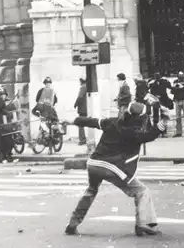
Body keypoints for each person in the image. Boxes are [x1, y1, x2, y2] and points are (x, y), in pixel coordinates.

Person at [62, 100, 170, 237]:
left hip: (93, 164)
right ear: (141, 118)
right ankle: (144, 223)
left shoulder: (112, 122)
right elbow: (152, 134)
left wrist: (71, 120)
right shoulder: (134, 133)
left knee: (91, 191)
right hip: (112, 167)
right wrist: (165, 119)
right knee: (142, 191)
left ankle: (73, 224)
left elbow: (92, 122)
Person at [170, 71, 184, 137]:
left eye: (182, 76)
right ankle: (179, 132)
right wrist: (181, 87)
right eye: (180, 76)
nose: (181, 77)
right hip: (177, 100)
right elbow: (172, 91)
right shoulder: (175, 82)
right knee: (178, 117)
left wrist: (181, 87)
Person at [74, 78, 87, 145]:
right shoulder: (87, 86)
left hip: (83, 109)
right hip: (86, 109)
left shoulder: (83, 87)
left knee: (80, 124)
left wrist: (75, 104)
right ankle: (83, 139)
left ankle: (82, 140)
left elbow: (80, 96)